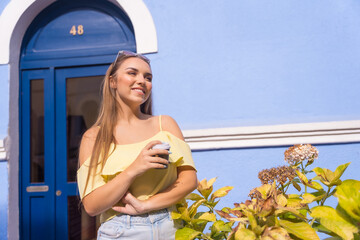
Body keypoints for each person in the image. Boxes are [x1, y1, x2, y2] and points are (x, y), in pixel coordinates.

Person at [77, 50, 198, 240]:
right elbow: (92, 205)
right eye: (132, 73)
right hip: (121, 230)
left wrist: (146, 205)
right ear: (113, 82)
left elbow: (189, 180)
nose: (142, 81)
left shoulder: (165, 124)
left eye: (147, 77)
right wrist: (134, 169)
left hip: (172, 227)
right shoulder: (94, 138)